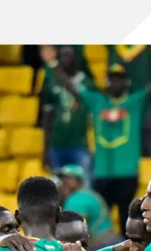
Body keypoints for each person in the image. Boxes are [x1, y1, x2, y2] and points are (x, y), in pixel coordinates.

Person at [42, 45, 151, 234]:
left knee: (128, 219)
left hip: (127, 172)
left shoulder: (135, 102)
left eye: (119, 80)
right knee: (101, 220)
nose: (114, 83)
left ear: (126, 82)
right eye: (111, 79)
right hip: (101, 172)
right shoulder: (97, 101)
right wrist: (53, 64)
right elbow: (71, 86)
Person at [42, 47, 94, 182]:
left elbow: (77, 93)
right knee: (57, 189)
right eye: (62, 56)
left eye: (68, 55)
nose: (65, 59)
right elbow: (48, 115)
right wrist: (45, 149)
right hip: (57, 143)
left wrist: (53, 66)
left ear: (77, 58)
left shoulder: (87, 83)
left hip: (80, 144)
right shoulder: (51, 81)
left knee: (83, 185)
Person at [56, 166, 113, 248]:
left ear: (78, 181)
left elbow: (75, 231)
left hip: (100, 245)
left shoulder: (76, 199)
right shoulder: (88, 194)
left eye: (68, 179)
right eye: (62, 180)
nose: (63, 183)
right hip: (109, 241)